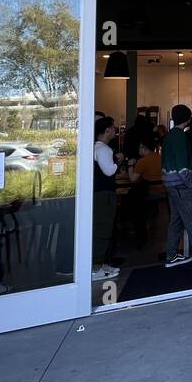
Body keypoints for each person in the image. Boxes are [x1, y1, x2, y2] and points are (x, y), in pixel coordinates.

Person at [161, 104, 192, 269]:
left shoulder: (168, 136)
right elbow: (183, 167)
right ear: (188, 118)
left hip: (170, 185)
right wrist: (191, 185)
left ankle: (172, 255)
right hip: (182, 185)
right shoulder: (180, 137)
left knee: (175, 221)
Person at [91, 117, 121, 282]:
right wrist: (119, 160)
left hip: (98, 193)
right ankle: (96, 267)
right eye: (113, 127)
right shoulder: (103, 150)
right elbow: (109, 171)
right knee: (103, 228)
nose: (115, 129)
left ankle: (100, 264)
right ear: (108, 130)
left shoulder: (95, 148)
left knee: (100, 227)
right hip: (104, 194)